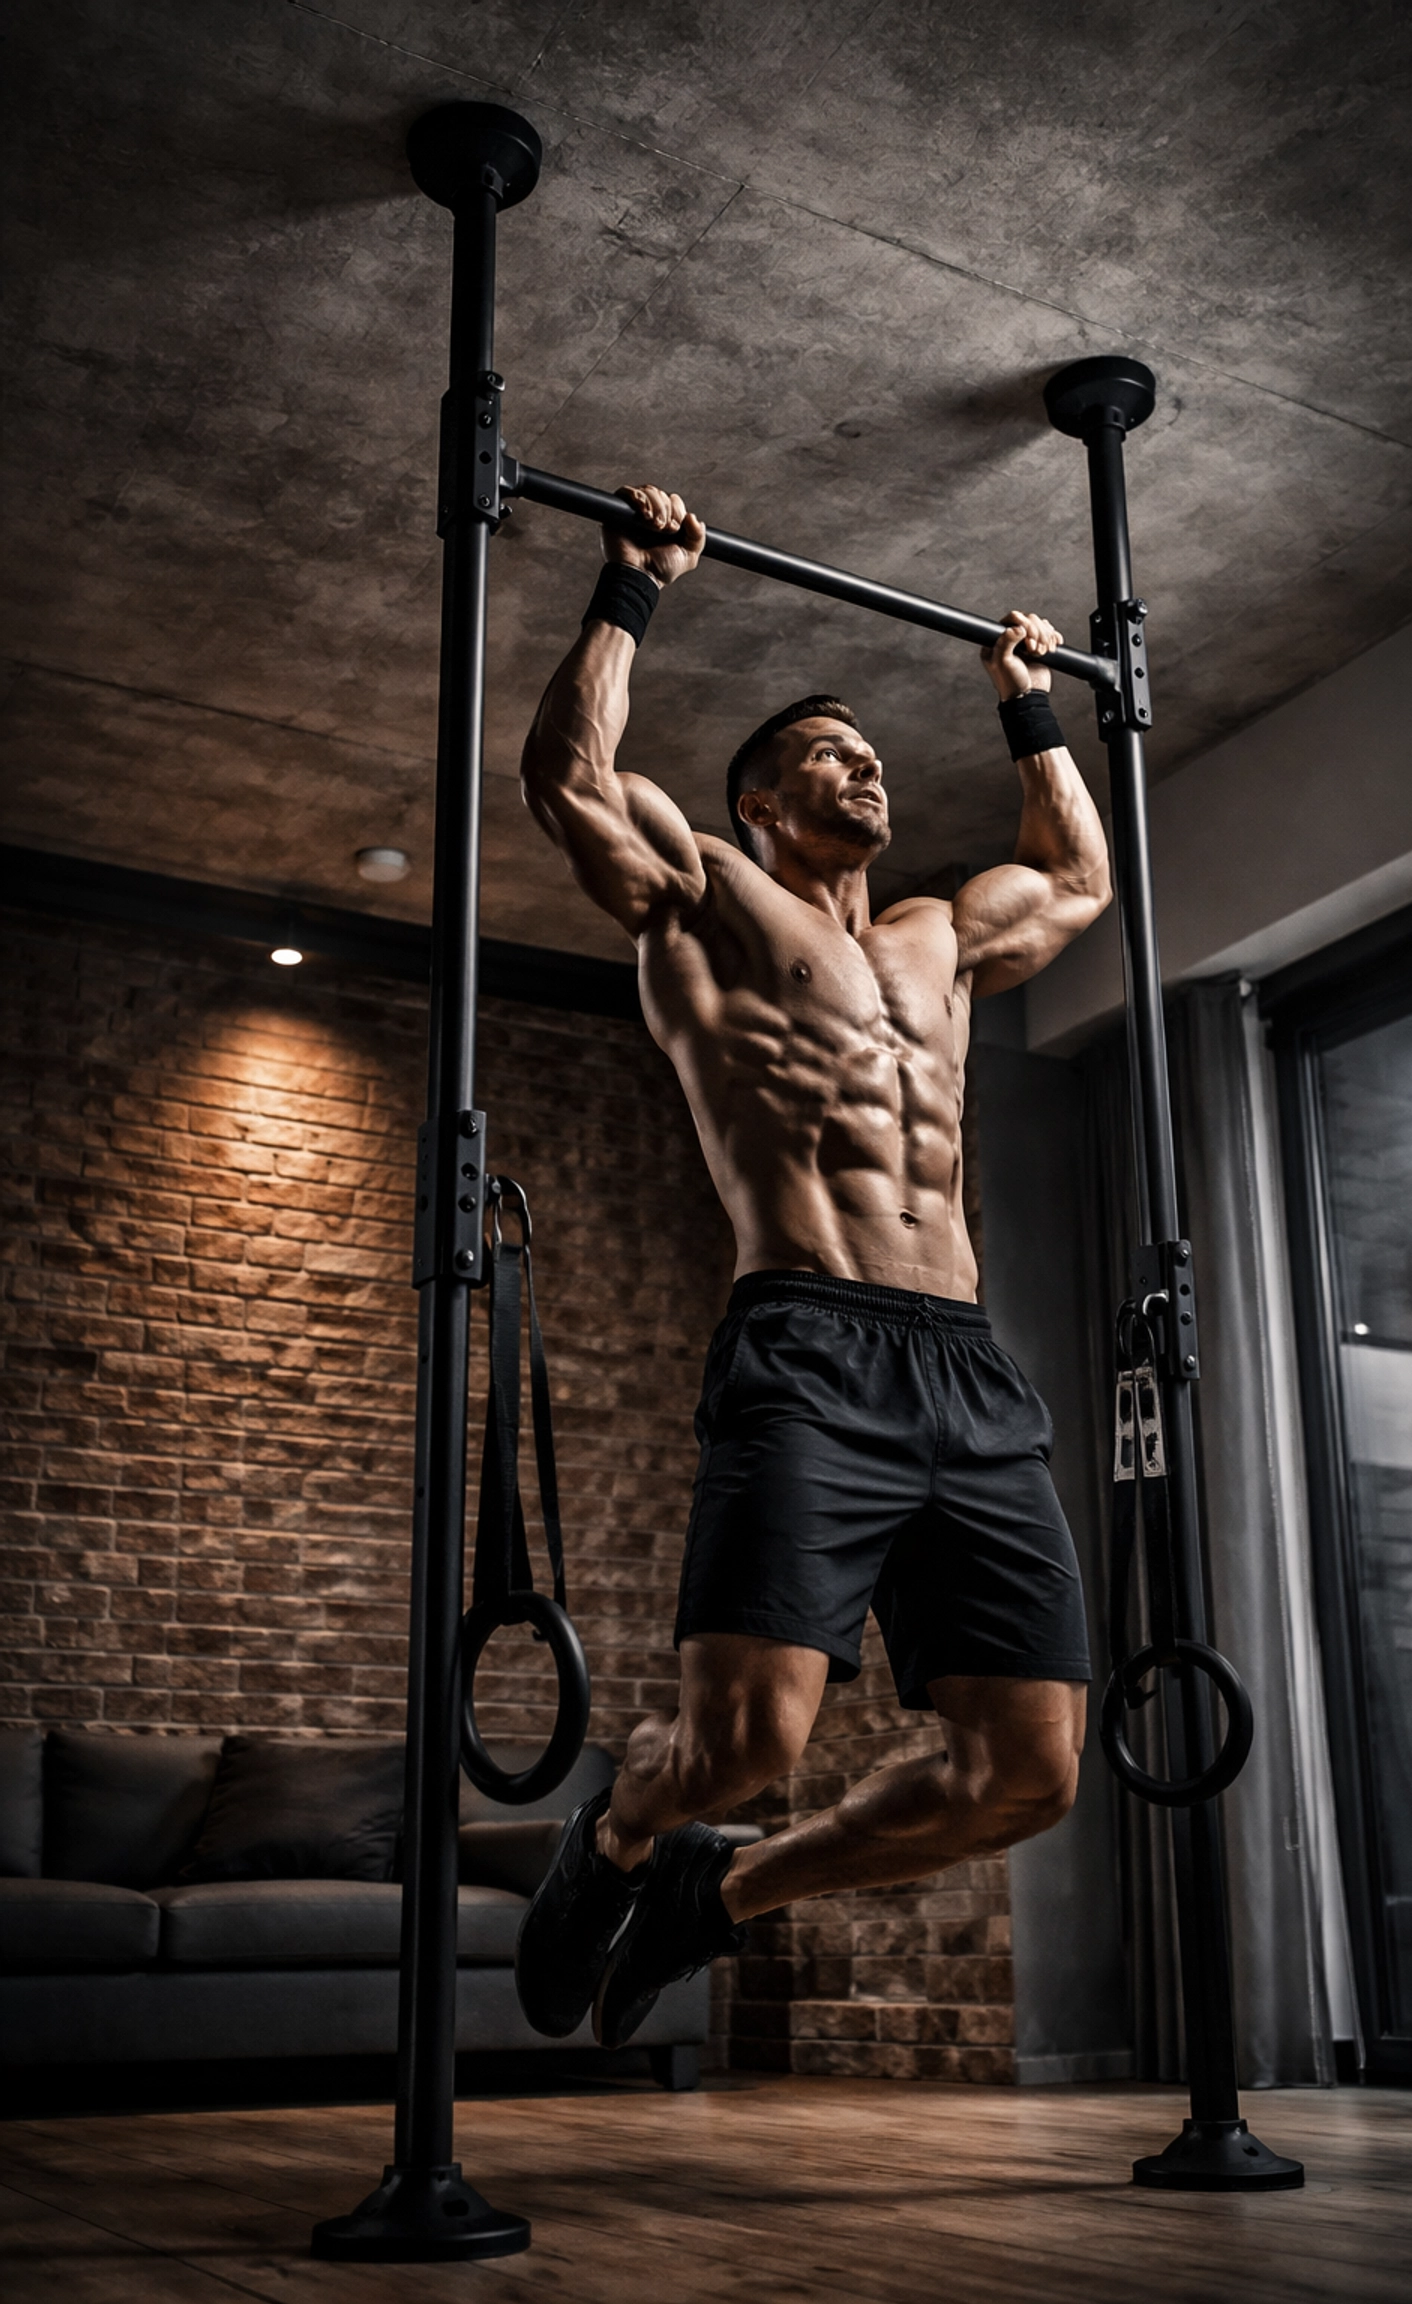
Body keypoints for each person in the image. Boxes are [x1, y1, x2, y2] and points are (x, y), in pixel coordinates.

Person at [514, 483, 1112, 2051]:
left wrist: (1029, 702)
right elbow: (568, 778)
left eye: (875, 754)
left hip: (968, 1366)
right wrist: (632, 592)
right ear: (761, 798)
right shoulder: (707, 892)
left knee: (1031, 1775)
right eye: (830, 752)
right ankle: (631, 1839)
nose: (866, 766)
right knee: (739, 1743)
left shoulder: (939, 934)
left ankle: (722, 1898)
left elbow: (1081, 877)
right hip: (806, 1342)